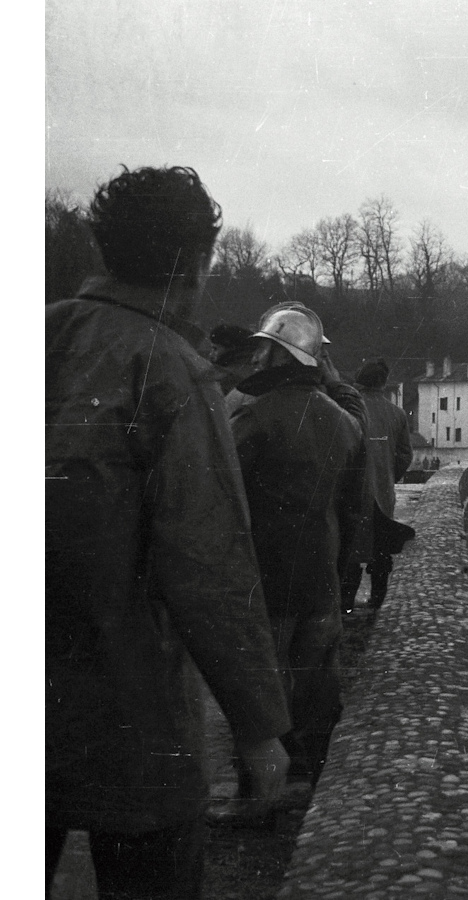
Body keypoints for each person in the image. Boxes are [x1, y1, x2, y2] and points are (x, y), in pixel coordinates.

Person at [46, 165, 292, 898]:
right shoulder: (173, 372)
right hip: (135, 712)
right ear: (197, 266)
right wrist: (256, 725)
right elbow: (208, 562)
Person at [229, 305, 367, 788]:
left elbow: (223, 506)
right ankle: (316, 780)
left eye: (262, 350)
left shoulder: (251, 419)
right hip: (322, 578)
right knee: (317, 684)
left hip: (268, 580)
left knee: (262, 689)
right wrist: (339, 570)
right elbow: (355, 511)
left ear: (275, 354)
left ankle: (259, 795)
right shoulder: (346, 424)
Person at [341, 359, 415, 613]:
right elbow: (405, 455)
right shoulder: (397, 414)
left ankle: (347, 604)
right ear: (383, 383)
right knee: (381, 550)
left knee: (349, 551)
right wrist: (387, 476)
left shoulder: (347, 410)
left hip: (350, 493)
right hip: (383, 494)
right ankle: (376, 601)